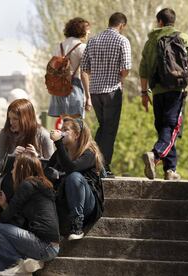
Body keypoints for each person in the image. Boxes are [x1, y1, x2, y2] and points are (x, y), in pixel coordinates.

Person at [0, 151, 60, 275]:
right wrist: (4, 204)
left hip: (45, 246)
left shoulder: (28, 185)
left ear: (21, 168)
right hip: (46, 245)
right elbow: (18, 221)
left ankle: (16, 266)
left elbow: (4, 218)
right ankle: (24, 265)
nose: (11, 172)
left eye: (14, 167)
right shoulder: (37, 184)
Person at [139, 8, 188, 180]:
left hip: (157, 90)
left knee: (163, 127)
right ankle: (155, 155)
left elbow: (143, 70)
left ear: (160, 22)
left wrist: (143, 93)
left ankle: (170, 170)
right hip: (177, 91)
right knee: (171, 128)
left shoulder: (151, 42)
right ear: (173, 21)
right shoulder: (183, 37)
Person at [81, 12, 132, 177]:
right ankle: (104, 166)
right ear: (122, 25)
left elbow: (85, 68)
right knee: (109, 130)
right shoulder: (122, 40)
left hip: (95, 91)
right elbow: (125, 68)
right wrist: (120, 78)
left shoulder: (93, 40)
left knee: (102, 127)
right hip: (112, 91)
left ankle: (91, 160)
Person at [48, 116, 104, 241]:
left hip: (88, 205)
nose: (61, 131)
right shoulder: (61, 153)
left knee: (74, 177)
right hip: (65, 202)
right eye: (61, 128)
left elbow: (72, 168)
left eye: (65, 129)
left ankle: (77, 226)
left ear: (77, 134)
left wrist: (58, 143)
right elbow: (46, 170)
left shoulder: (89, 153)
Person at [0, 98, 54, 173]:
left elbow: (52, 170)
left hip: (35, 181)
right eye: (9, 118)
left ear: (26, 119)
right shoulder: (5, 134)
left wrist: (37, 158)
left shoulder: (43, 135)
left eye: (15, 119)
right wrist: (12, 157)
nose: (11, 122)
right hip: (11, 180)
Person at [48, 17, 92, 119]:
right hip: (74, 88)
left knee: (66, 125)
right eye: (87, 29)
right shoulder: (82, 47)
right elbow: (84, 73)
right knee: (75, 126)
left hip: (59, 90)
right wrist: (88, 96)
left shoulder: (58, 47)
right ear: (80, 30)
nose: (89, 32)